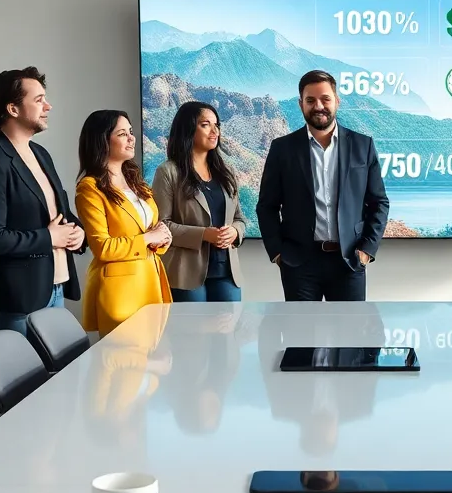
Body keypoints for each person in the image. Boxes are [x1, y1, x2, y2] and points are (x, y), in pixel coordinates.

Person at [0, 67, 85, 336]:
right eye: (39, 99)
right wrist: (49, 237)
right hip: (18, 301)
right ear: (13, 109)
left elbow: (60, 211)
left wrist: (78, 233)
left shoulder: (40, 153)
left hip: (56, 287)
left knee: (56, 377)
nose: (48, 106)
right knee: (22, 379)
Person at [256, 70, 389, 301]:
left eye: (325, 99)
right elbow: (266, 206)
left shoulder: (362, 145)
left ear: (336, 101)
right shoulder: (283, 149)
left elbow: (379, 202)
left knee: (350, 335)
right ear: (301, 104)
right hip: (299, 264)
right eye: (310, 100)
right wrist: (278, 253)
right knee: (301, 336)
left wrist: (367, 250)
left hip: (349, 261)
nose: (319, 106)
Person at [75, 110, 173, 336]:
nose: (132, 138)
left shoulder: (136, 183)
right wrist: (149, 238)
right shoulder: (89, 188)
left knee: (151, 364)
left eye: (130, 132)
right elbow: (102, 247)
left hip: (150, 283)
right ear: (103, 141)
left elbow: (153, 232)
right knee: (124, 364)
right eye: (122, 133)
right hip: (120, 293)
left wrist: (162, 238)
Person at [151, 101, 247, 302]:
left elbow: (239, 218)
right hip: (186, 273)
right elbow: (162, 226)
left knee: (228, 330)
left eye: (216, 125)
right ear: (188, 129)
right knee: (193, 332)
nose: (215, 131)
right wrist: (204, 235)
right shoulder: (168, 172)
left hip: (226, 271)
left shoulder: (226, 172)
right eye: (205, 124)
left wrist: (235, 231)